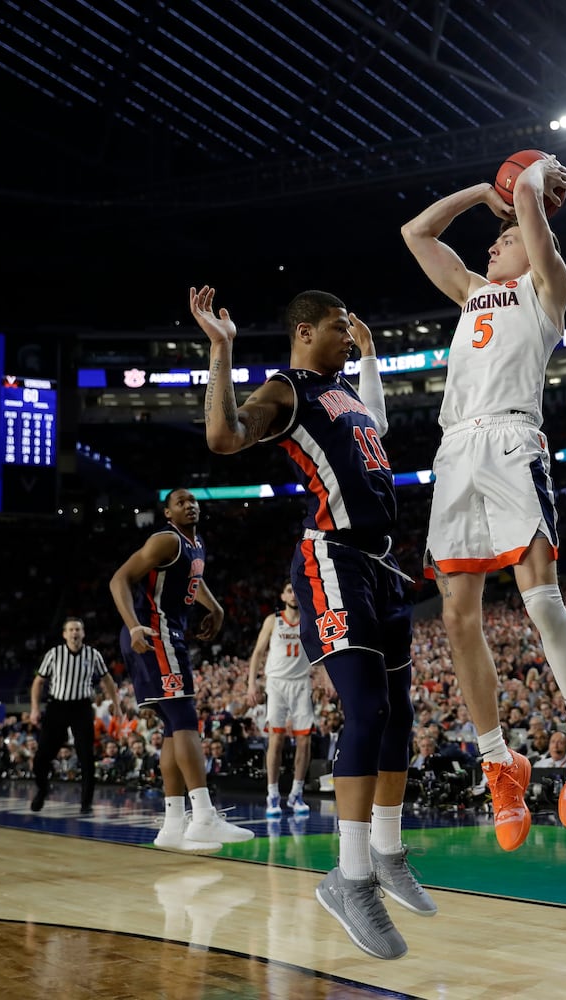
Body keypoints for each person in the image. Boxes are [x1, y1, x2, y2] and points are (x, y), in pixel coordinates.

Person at [190, 285, 434, 961]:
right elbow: (224, 436)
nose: (347, 335)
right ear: (303, 332)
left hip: (384, 565)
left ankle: (385, 852)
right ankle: (349, 878)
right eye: (337, 327)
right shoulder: (287, 388)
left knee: (399, 716)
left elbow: (375, 424)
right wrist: (222, 349)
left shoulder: (349, 397)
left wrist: (373, 357)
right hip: (333, 557)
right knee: (366, 708)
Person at [401, 152, 566, 852]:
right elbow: (416, 234)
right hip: (456, 450)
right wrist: (481, 190)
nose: (494, 242)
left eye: (506, 237)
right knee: (458, 619)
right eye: (495, 237)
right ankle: (499, 762)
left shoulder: (547, 289)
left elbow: (533, 231)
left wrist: (533, 181)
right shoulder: (471, 292)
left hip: (515, 440)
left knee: (540, 598)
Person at [110, 487, 254, 854]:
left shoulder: (195, 544)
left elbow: (195, 580)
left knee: (174, 727)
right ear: (168, 513)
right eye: (180, 502)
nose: (189, 505)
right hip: (152, 633)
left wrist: (216, 608)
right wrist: (133, 625)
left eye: (193, 501)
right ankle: (203, 815)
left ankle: (173, 824)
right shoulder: (164, 540)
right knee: (186, 719)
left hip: (165, 633)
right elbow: (120, 579)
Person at [247, 580, 329, 818]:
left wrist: (325, 678)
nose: (293, 595)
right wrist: (252, 683)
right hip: (276, 684)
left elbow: (320, 652)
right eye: (289, 591)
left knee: (305, 741)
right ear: (283, 596)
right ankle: (272, 794)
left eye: (296, 591)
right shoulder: (273, 620)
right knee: (276, 739)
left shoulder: (309, 620)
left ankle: (296, 793)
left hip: (302, 683)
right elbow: (257, 653)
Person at [29, 616, 120, 814]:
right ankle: (42, 790)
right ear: (64, 634)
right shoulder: (54, 654)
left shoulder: (93, 654)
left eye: (78, 629)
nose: (74, 633)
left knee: (86, 755)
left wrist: (117, 705)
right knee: (42, 755)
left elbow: (107, 679)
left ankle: (86, 802)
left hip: (81, 707)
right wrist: (35, 708)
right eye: (70, 630)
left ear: (83, 633)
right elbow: (38, 682)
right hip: (57, 706)